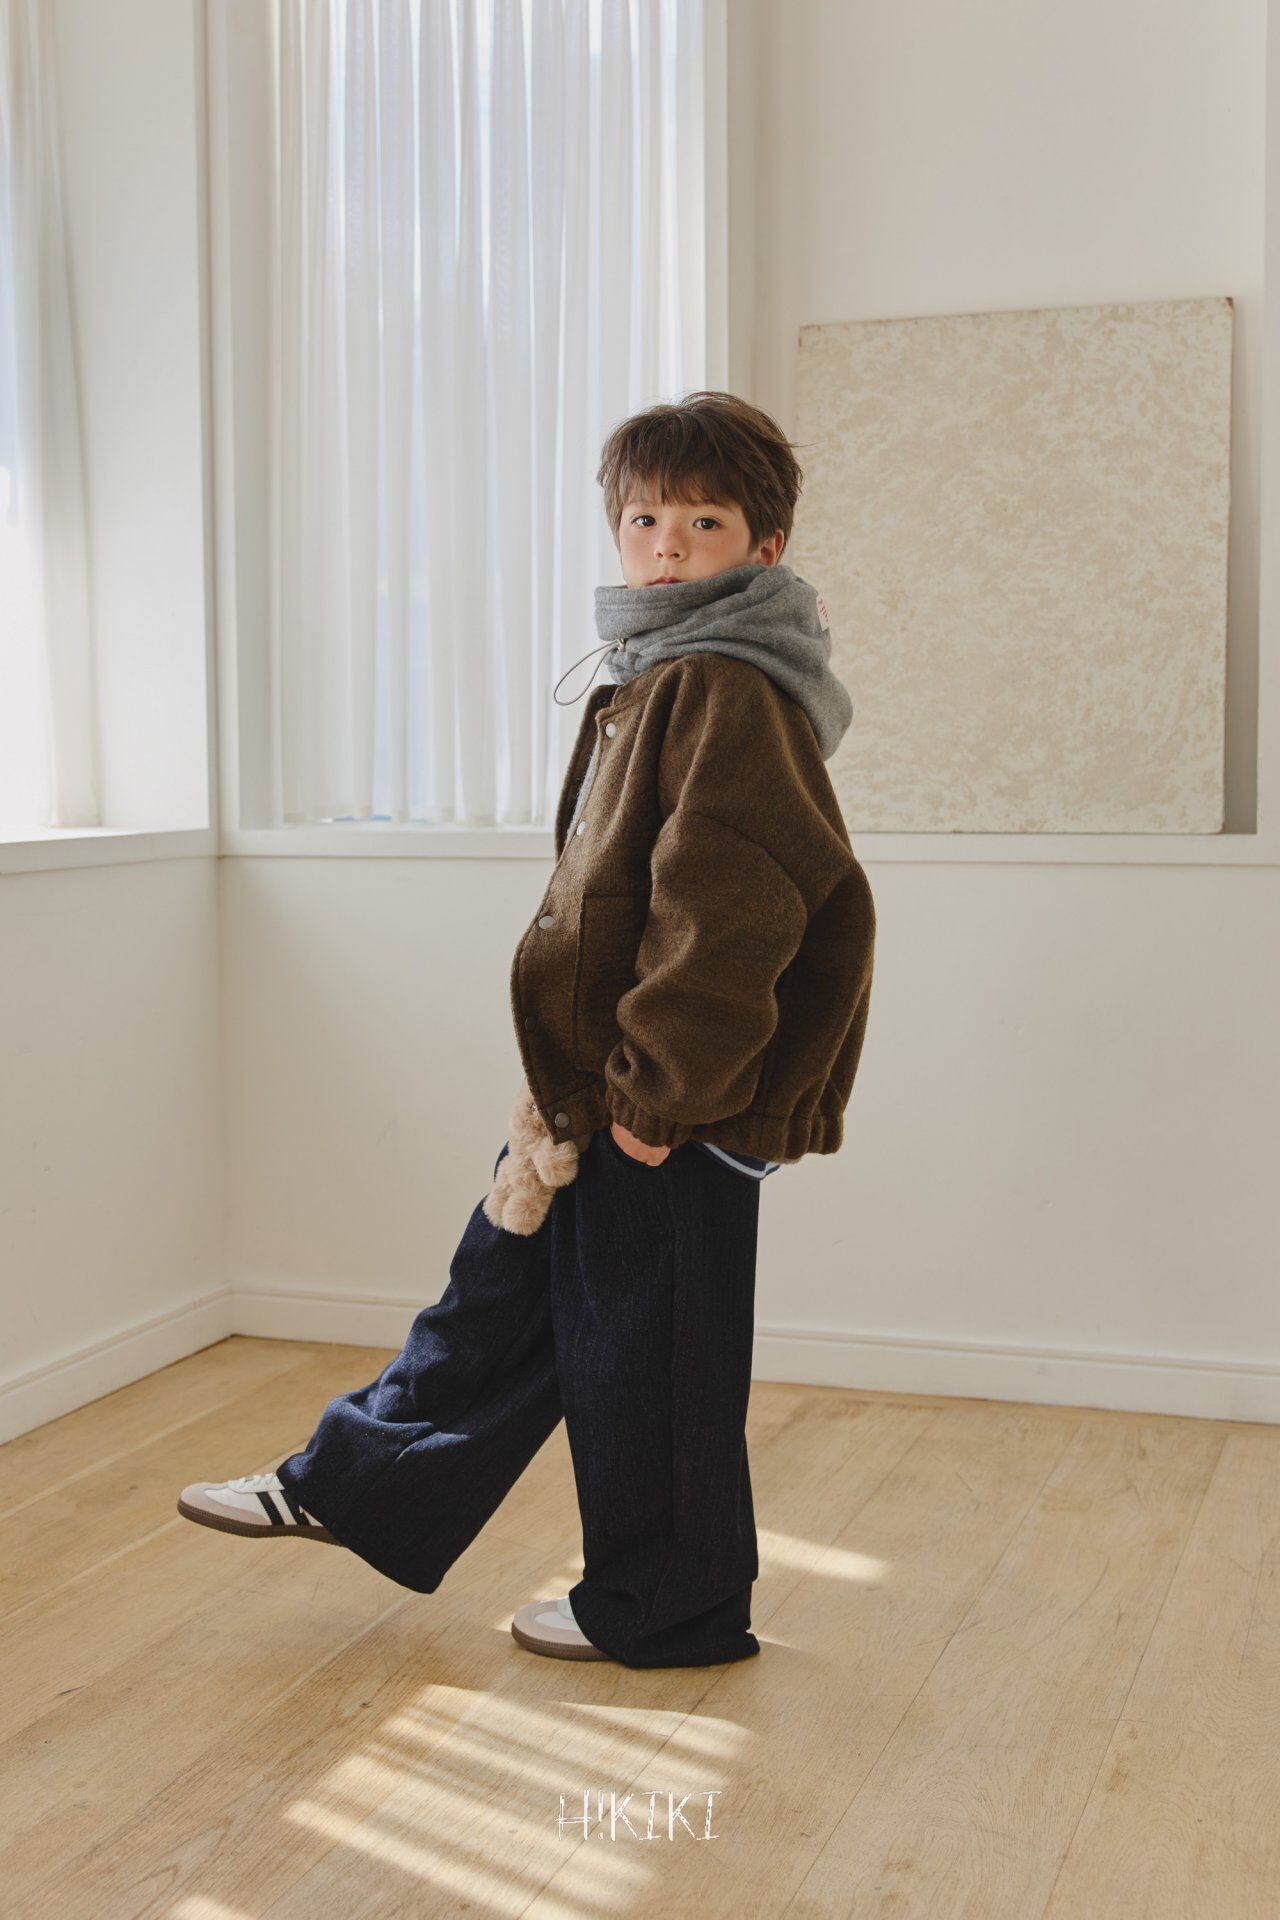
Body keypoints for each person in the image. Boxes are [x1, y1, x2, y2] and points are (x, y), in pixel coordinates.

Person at [177, 390, 876, 1669]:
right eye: (643, 520)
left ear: (763, 546)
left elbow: (732, 907)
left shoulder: (724, 685)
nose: (665, 546)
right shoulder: (660, 675)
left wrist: (657, 1093)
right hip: (600, 1080)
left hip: (668, 1094)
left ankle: (669, 1609)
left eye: (702, 523)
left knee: (650, 1355)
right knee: (506, 1295)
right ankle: (350, 1484)